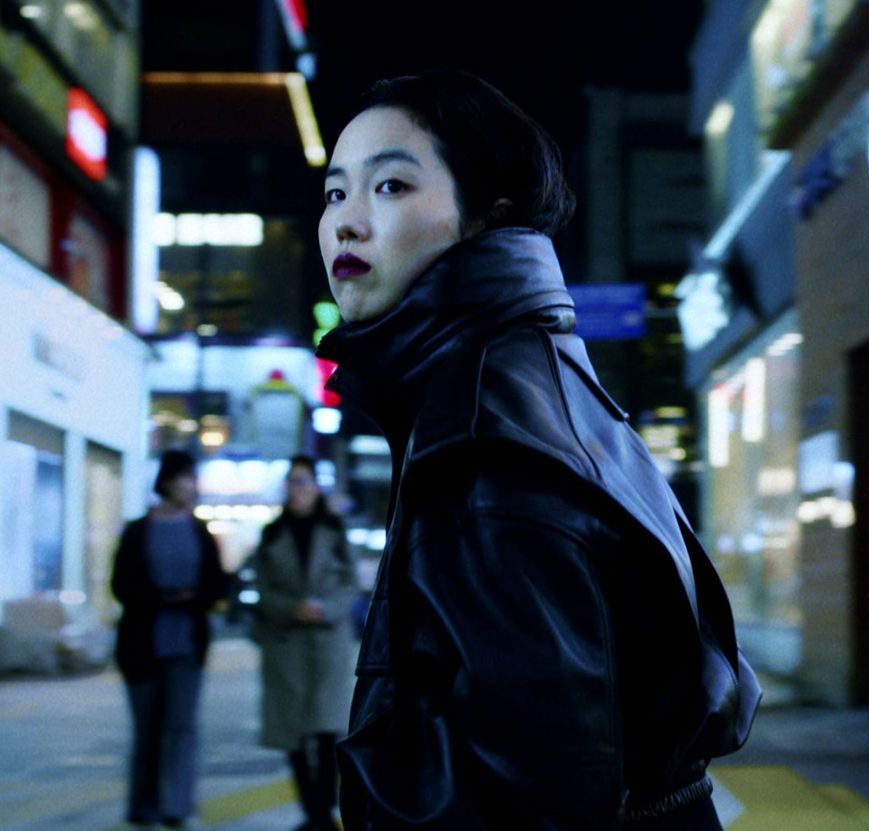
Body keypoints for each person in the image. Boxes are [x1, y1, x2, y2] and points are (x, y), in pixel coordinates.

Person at [315, 69, 761, 830]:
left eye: (389, 187)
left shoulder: (482, 441)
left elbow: (527, 797)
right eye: (334, 193)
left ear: (489, 214)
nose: (346, 224)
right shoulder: (541, 381)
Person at [110, 449, 230, 829]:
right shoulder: (137, 531)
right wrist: (159, 596)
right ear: (167, 481)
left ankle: (177, 806)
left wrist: (192, 596)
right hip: (142, 644)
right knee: (146, 728)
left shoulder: (200, 531)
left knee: (182, 726)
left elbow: (216, 584)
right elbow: (121, 585)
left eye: (193, 479)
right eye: (185, 478)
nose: (190, 486)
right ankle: (143, 805)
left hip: (187, 644)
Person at [251, 455, 356, 831]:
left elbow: (350, 585)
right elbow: (261, 590)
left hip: (327, 644)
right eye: (291, 482)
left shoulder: (334, 529)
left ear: (315, 487)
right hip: (286, 644)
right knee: (292, 732)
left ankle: (323, 810)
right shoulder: (272, 533)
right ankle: (312, 811)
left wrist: (324, 609)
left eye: (302, 482)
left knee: (328, 730)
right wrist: (292, 607)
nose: (296, 490)